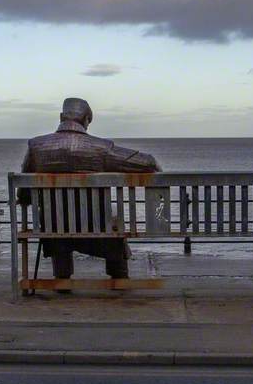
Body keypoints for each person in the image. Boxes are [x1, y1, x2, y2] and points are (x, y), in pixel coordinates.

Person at [20, 98, 160, 281]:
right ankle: (119, 277)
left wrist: (26, 200)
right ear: (86, 120)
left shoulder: (36, 146)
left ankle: (62, 278)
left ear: (61, 116)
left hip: (53, 226)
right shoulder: (102, 148)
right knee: (112, 221)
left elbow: (24, 192)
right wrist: (154, 162)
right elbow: (146, 163)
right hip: (98, 226)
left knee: (55, 218)